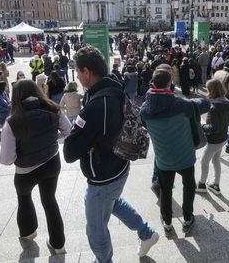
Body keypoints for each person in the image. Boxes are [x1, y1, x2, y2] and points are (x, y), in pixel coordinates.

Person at [63, 46, 159, 261]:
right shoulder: (115, 88)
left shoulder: (95, 105)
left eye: (78, 71)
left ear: (87, 72)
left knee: (95, 230)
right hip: (120, 165)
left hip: (102, 177)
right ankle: (146, 233)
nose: (77, 76)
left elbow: (69, 152)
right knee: (113, 202)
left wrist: (81, 129)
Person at [0, 80, 71, 253]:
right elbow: (69, 131)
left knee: (24, 198)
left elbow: (6, 159)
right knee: (50, 200)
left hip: (25, 171)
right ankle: (58, 245)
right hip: (52, 162)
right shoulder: (54, 109)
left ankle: (28, 232)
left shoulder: (12, 121)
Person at [141, 69, 210, 234]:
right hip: (185, 157)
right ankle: (187, 219)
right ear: (169, 84)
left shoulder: (144, 110)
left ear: (152, 84)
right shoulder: (182, 105)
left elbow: (144, 124)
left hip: (164, 159)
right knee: (188, 186)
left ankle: (167, 223)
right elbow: (206, 104)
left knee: (165, 190)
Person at [197, 79, 229, 195]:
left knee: (204, 161)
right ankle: (216, 185)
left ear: (212, 90)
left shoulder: (214, 107)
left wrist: (202, 127)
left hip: (214, 140)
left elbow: (213, 127)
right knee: (216, 160)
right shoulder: (227, 101)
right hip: (223, 137)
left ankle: (201, 184)